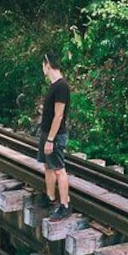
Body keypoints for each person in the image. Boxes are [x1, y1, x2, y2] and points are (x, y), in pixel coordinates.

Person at [37, 52, 71, 221]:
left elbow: (59, 115)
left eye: (43, 66)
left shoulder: (61, 86)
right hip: (47, 133)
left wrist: (50, 139)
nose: (42, 69)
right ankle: (50, 198)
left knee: (59, 169)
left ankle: (64, 205)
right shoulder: (54, 85)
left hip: (55, 136)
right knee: (48, 166)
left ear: (47, 65)